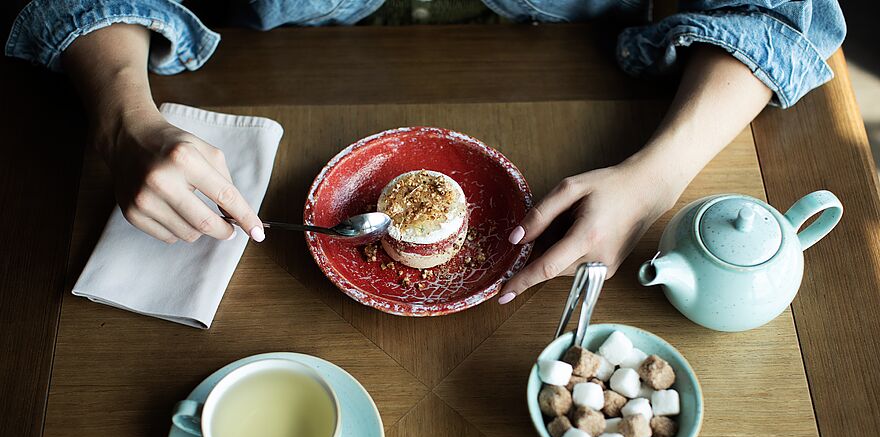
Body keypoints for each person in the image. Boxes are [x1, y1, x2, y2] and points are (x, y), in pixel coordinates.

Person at [5, 1, 846, 302]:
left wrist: (657, 176)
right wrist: (124, 119)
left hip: (577, 90)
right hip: (269, 76)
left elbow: (779, 11)